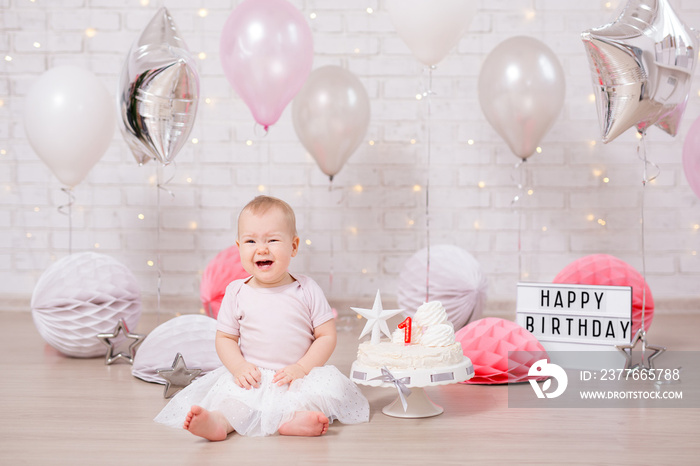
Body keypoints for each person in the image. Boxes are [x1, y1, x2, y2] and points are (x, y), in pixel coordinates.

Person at [154, 195, 369, 440]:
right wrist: (238, 367)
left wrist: (302, 367)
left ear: (294, 246)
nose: (262, 248)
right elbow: (225, 337)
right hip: (253, 376)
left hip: (297, 376)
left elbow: (326, 336)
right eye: (251, 241)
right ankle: (218, 422)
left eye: (273, 240)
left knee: (327, 389)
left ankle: (294, 419)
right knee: (234, 399)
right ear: (239, 248)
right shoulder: (236, 291)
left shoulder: (307, 289)